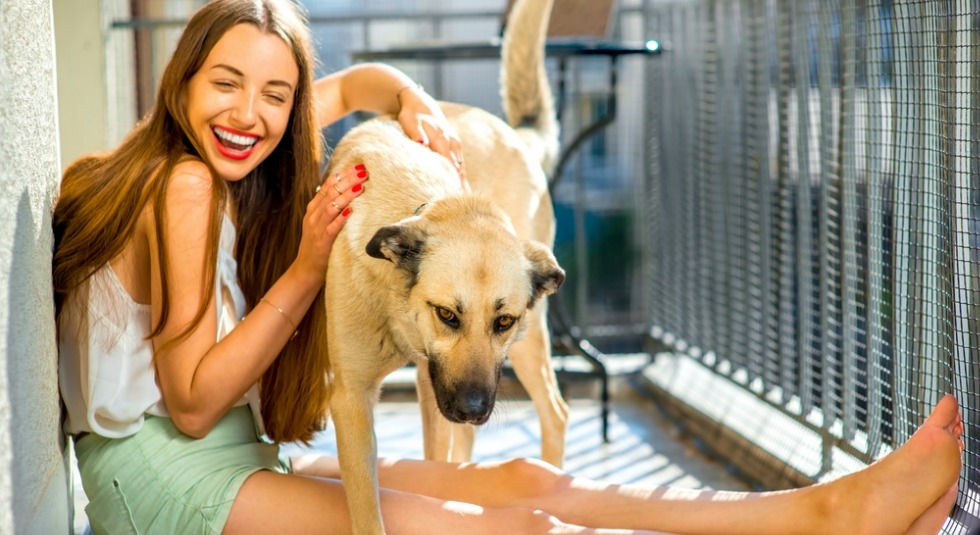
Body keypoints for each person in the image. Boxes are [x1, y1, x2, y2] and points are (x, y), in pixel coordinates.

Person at [52, 0, 965, 534]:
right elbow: (192, 400)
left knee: (528, 484)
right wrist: (304, 267)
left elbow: (354, 89)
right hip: (166, 479)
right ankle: (827, 518)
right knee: (510, 527)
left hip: (223, 456)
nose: (252, 112)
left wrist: (406, 99)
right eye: (226, 83)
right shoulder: (184, 187)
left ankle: (829, 506)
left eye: (277, 93)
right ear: (181, 83)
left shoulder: (217, 151)